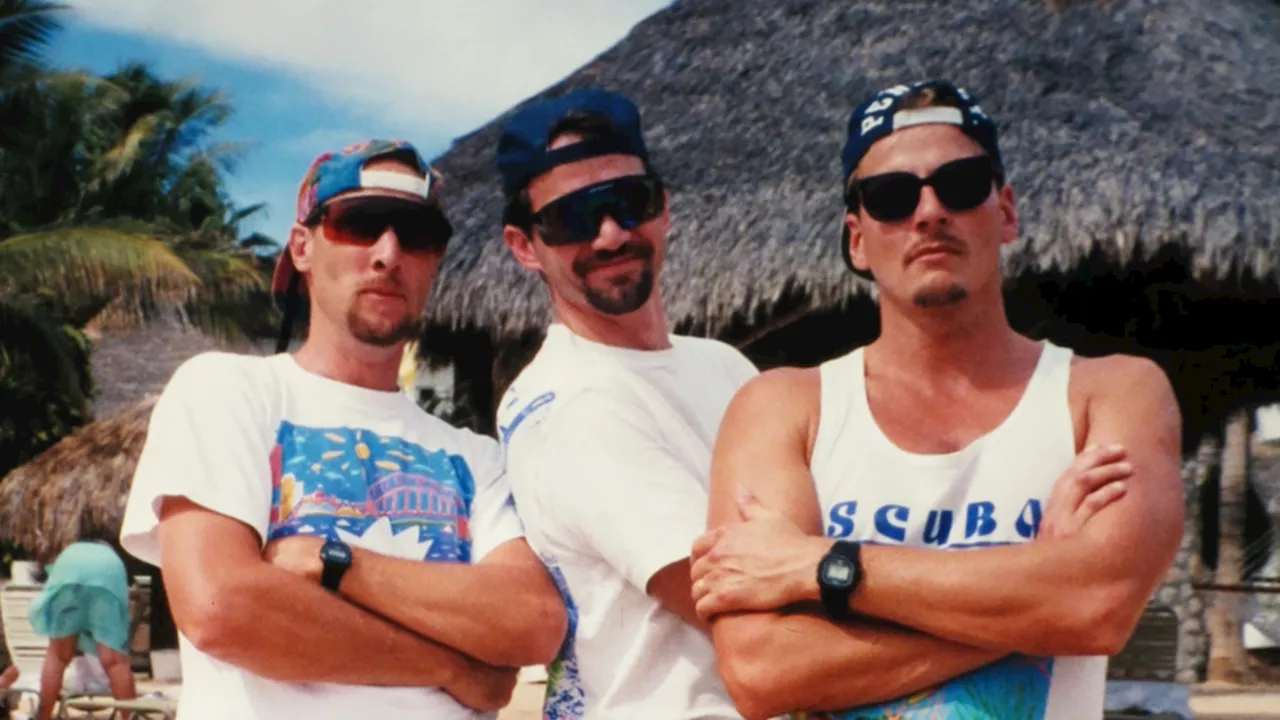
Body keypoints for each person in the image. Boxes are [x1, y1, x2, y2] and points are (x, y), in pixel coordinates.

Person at [688, 79, 1185, 719]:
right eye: (891, 196)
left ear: (1005, 210)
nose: (928, 213)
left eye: (960, 184)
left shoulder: (1111, 392)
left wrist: (822, 565)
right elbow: (763, 671)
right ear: (857, 239)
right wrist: (1037, 580)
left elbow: (1098, 608)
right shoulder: (785, 408)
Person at [119, 139, 567, 720]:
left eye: (416, 233)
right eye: (360, 224)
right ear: (302, 247)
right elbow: (221, 606)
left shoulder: (475, 456)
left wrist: (332, 561)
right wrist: (451, 666)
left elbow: (533, 622)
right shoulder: (227, 391)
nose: (388, 253)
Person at [493, 89, 758, 718]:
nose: (611, 234)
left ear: (662, 208)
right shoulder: (570, 408)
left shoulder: (724, 364)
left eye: (627, 203)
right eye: (571, 219)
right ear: (525, 246)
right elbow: (739, 606)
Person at [25, 541, 135, 720]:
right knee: (115, 662)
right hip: (108, 571)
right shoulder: (109, 552)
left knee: (58, 655)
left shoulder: (68, 549)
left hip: (68, 568)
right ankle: (130, 716)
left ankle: (43, 716)